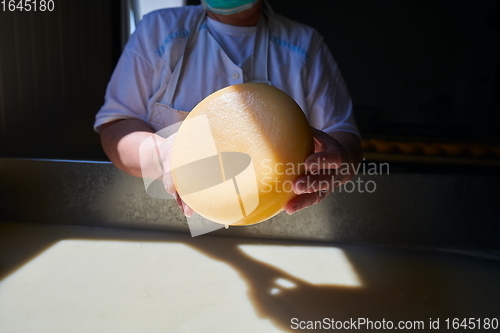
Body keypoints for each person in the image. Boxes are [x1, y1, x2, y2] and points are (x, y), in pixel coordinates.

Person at [94, 0, 362, 217]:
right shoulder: (158, 30)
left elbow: (343, 135)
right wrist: (162, 153)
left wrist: (342, 160)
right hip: (164, 224)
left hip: (283, 222)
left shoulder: (304, 44)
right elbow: (116, 126)